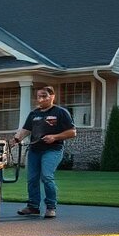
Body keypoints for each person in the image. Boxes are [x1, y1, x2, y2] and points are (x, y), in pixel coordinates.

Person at [11, 86, 76, 219]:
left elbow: (72, 132)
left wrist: (54, 137)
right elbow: (25, 130)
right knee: (32, 179)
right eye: (38, 96)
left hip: (53, 150)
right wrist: (15, 139)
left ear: (52, 96)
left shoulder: (60, 112)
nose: (40, 99)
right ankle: (33, 207)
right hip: (35, 150)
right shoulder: (34, 114)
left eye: (44, 96)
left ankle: (51, 207)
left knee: (46, 176)